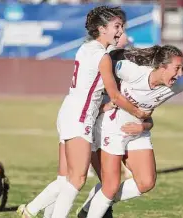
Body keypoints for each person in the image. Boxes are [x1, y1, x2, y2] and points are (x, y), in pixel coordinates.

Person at [77, 45, 183, 218]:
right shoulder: (133, 72)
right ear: (162, 67)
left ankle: (93, 204)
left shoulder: (177, 84)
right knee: (110, 186)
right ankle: (96, 207)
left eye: (182, 69)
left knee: (146, 182)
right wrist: (103, 95)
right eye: (177, 68)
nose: (180, 74)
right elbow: (106, 65)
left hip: (139, 130)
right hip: (112, 128)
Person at [17, 6, 151, 218]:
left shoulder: (85, 48)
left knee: (67, 178)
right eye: (117, 26)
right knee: (77, 179)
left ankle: (31, 211)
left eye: (122, 27)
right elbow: (114, 95)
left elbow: (90, 89)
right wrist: (138, 111)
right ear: (101, 28)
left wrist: (103, 105)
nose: (120, 31)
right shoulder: (102, 57)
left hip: (69, 111)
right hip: (80, 117)